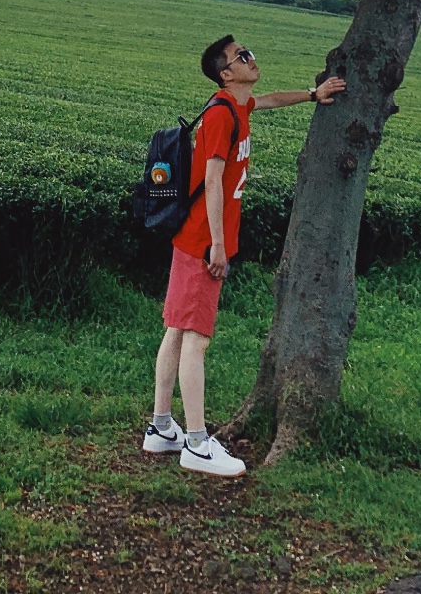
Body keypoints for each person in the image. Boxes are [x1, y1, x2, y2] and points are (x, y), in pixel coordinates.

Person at [143, 34, 347, 477]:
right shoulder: (221, 116)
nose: (252, 59)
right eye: (242, 57)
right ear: (226, 73)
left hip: (192, 239)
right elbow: (213, 182)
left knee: (177, 331)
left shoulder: (237, 106)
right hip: (202, 241)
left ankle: (161, 428)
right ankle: (196, 443)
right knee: (196, 339)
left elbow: (270, 100)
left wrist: (314, 94)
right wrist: (217, 245)